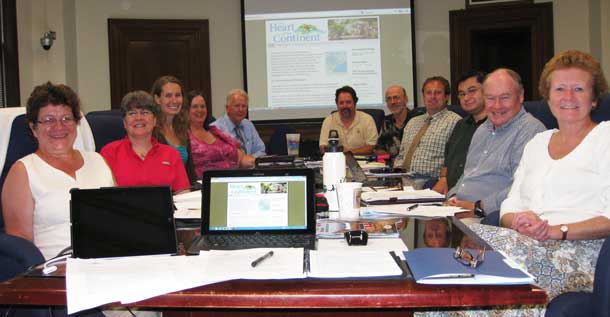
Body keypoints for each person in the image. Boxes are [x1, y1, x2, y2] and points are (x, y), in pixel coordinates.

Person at [426, 50, 610, 317]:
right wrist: (517, 221)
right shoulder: (538, 144)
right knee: (446, 269)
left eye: (578, 89)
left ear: (594, 98)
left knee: (489, 273)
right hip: (526, 240)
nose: (568, 98)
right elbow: (511, 203)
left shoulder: (605, 139)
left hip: (582, 252)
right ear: (548, 96)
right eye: (560, 89)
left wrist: (557, 230)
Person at [1, 82, 114, 260]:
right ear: (33, 128)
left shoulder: (97, 161)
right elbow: (20, 247)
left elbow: (117, 218)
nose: (58, 127)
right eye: (48, 120)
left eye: (66, 119)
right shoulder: (23, 171)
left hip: (110, 260)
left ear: (76, 123)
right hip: (58, 269)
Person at [446, 69, 545, 217]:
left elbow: (522, 187)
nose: (497, 106)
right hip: (458, 210)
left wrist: (479, 207)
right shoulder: (482, 129)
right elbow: (468, 174)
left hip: (489, 218)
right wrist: (453, 195)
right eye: (490, 98)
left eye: (505, 97)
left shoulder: (532, 131)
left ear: (521, 96)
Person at [100, 91, 190, 192]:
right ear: (124, 122)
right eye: (132, 113)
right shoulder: (109, 153)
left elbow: (183, 195)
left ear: (155, 121)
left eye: (145, 112)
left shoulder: (171, 154)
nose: (139, 118)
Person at [393, 76, 461, 188]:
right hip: (401, 179)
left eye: (438, 93)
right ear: (424, 96)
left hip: (429, 182)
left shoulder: (455, 122)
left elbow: (454, 162)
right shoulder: (413, 122)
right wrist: (395, 175)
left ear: (446, 97)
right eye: (428, 93)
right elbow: (402, 155)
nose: (432, 97)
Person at [432, 70, 487, 195]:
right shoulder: (461, 124)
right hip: (449, 193)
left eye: (472, 91)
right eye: (462, 94)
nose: (466, 98)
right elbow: (448, 157)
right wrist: (443, 178)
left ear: (487, 91)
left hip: (473, 195)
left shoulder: (495, 127)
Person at [187, 90, 255, 178]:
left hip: (232, 179)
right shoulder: (184, 136)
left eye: (203, 106)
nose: (200, 110)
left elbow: (241, 157)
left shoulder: (214, 131)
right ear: (186, 111)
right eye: (195, 107)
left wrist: (260, 163)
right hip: (204, 185)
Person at [151, 75, 197, 184]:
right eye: (168, 96)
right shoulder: (151, 131)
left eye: (178, 95)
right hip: (163, 194)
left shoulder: (182, 130)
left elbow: (190, 173)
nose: (174, 100)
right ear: (157, 99)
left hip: (183, 194)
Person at [319, 85, 378, 155]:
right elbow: (322, 147)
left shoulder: (367, 119)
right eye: (341, 103)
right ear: (337, 104)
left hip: (363, 162)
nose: (345, 106)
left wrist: (349, 152)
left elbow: (372, 146)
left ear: (355, 103)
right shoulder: (329, 121)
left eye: (348, 102)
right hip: (337, 160)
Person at [212, 89, 266, 157]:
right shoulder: (216, 129)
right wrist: (242, 162)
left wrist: (248, 161)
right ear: (227, 108)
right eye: (237, 106)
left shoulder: (248, 125)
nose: (241, 109)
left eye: (244, 106)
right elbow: (218, 158)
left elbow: (260, 150)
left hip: (251, 166)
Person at [376, 85, 421, 159]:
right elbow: (379, 149)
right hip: (392, 166)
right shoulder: (386, 122)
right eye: (389, 99)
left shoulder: (417, 119)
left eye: (396, 97)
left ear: (406, 99)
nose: (392, 102)